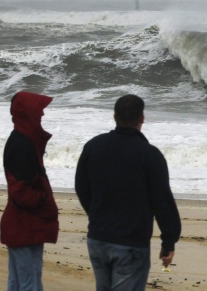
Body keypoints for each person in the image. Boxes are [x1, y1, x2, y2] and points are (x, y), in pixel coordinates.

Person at [75, 94, 181, 291]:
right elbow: (162, 201)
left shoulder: (94, 146)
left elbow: (81, 187)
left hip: (98, 238)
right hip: (131, 242)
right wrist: (169, 241)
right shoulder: (149, 154)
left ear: (114, 117)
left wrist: (96, 214)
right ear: (142, 118)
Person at [1, 91, 59, 291]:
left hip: (23, 225)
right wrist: (43, 199)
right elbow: (19, 191)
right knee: (29, 284)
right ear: (28, 113)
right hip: (24, 225)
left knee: (19, 282)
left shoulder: (23, 140)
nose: (42, 114)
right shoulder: (22, 144)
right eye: (39, 110)